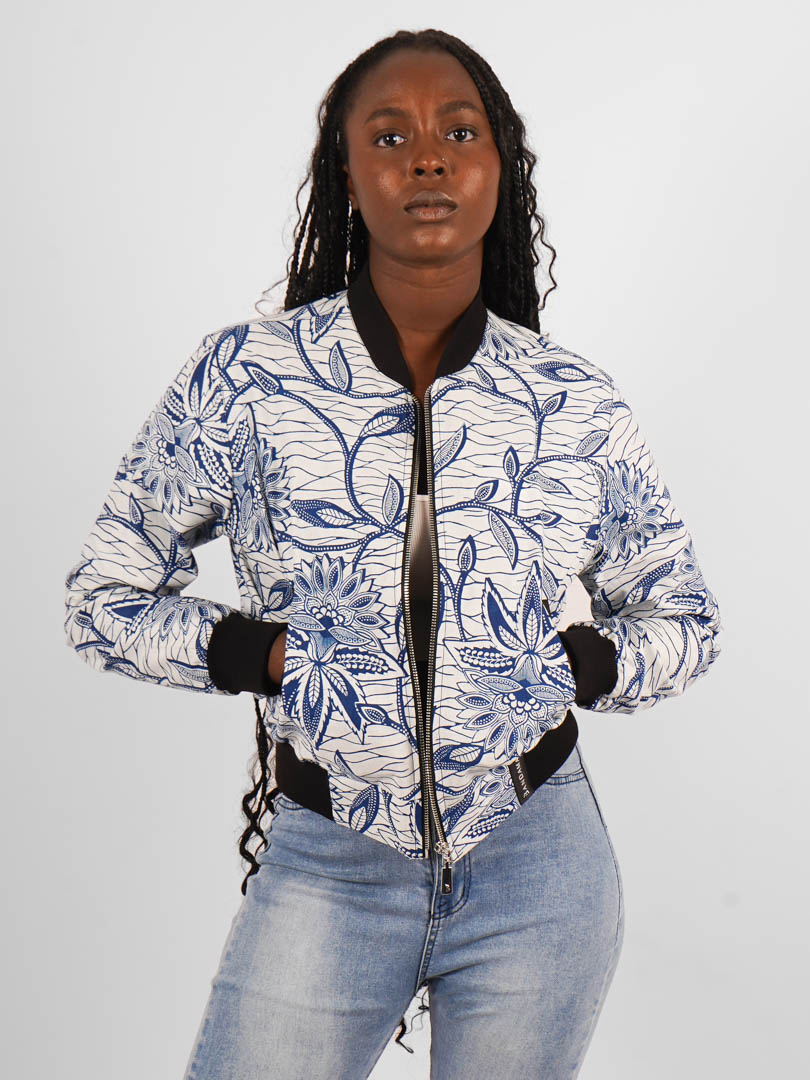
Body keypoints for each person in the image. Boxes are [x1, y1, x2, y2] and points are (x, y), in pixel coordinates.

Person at [64, 27, 722, 1080]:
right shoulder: (249, 380)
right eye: (390, 136)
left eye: (459, 133)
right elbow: (106, 596)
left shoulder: (572, 401)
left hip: (538, 864)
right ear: (346, 170)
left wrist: (577, 667)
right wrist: (265, 655)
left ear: (499, 168)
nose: (426, 159)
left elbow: (684, 617)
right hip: (332, 861)